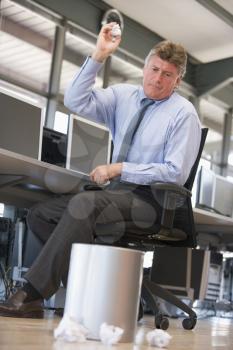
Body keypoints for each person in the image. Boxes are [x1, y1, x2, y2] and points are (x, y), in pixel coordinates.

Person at [0, 22, 201, 318]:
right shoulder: (124, 96)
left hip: (154, 203)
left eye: (167, 74)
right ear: (144, 67)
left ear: (178, 80)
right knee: (41, 215)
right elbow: (75, 101)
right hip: (118, 197)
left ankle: (31, 294)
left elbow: (174, 174)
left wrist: (121, 168)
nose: (157, 79)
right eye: (154, 69)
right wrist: (98, 55)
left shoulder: (184, 114)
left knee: (84, 204)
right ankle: (87, 293)